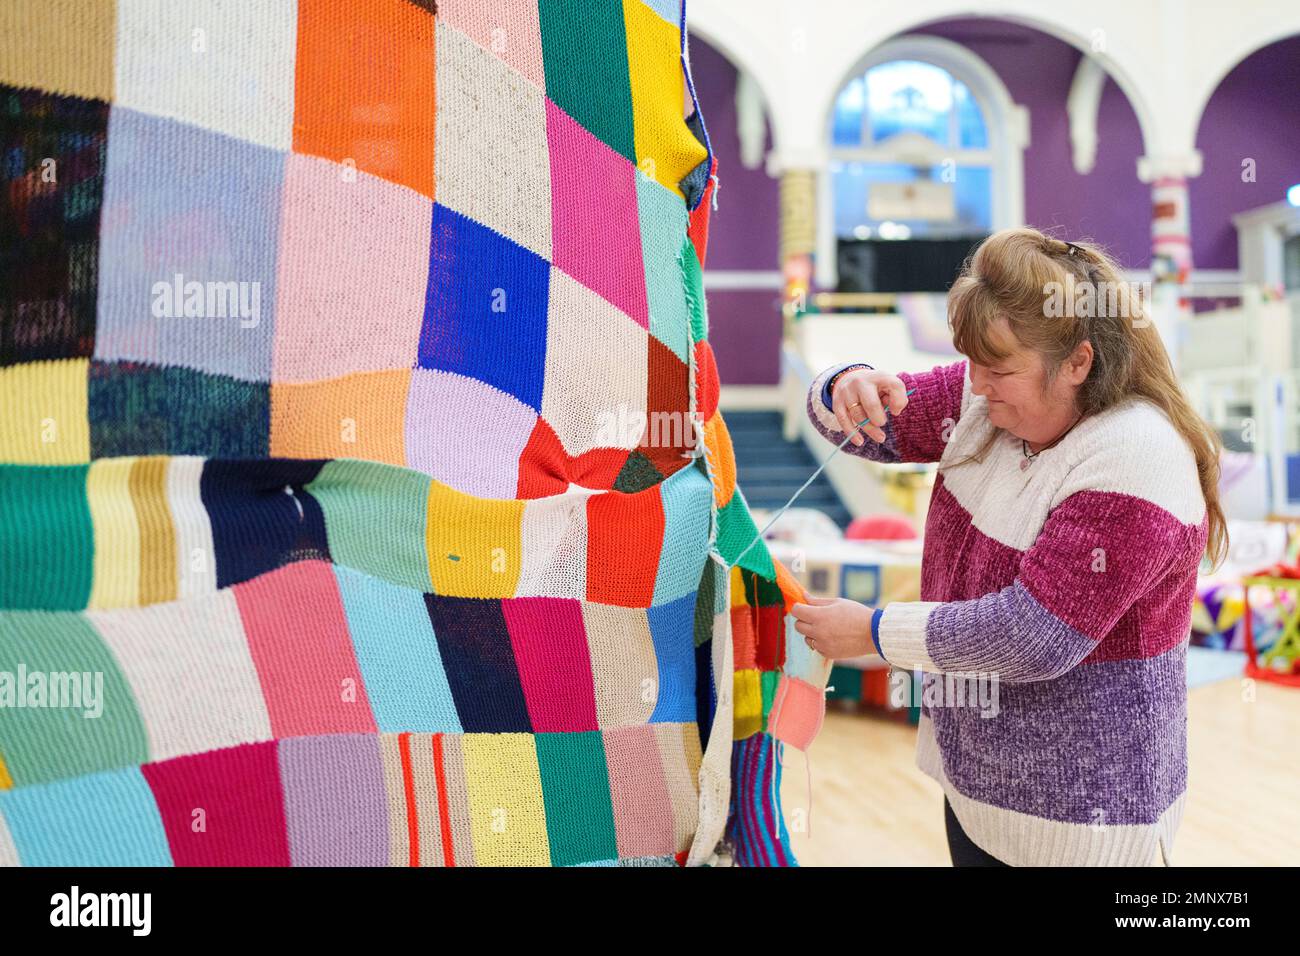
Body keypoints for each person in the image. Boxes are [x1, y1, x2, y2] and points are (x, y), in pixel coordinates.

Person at [791, 227, 1226, 866]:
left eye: (998, 371)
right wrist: (844, 383)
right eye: (972, 365)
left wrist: (875, 633)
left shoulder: (1136, 455)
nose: (977, 385)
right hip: (977, 793)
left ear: (1078, 362)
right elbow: (865, 431)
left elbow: (1036, 635)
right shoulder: (988, 397)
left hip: (1081, 825)